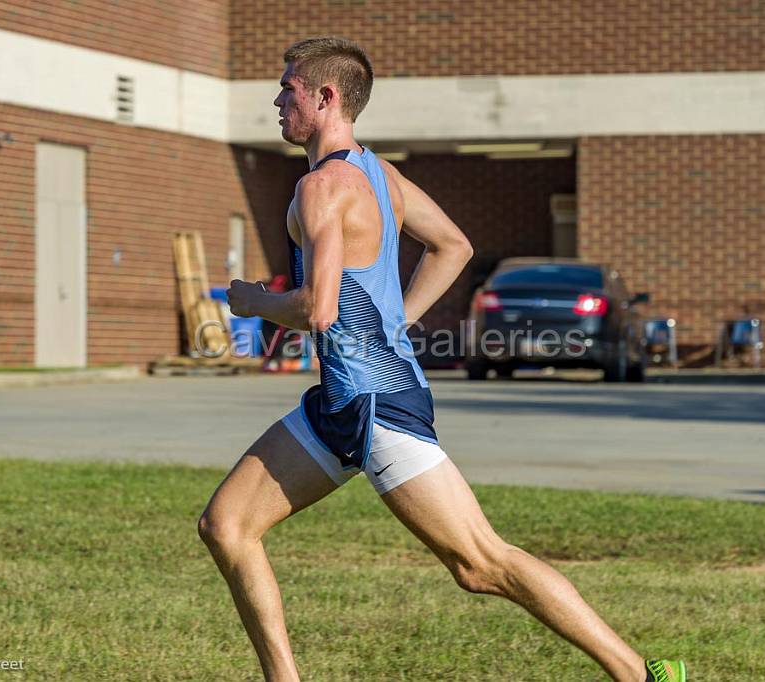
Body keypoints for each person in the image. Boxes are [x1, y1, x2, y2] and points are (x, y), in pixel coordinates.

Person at [198, 36, 686, 682]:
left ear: (326, 96)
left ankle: (642, 675)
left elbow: (317, 309)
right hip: (343, 402)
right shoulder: (383, 177)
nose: (277, 100)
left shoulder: (323, 186)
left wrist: (254, 301)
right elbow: (452, 246)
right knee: (227, 525)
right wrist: (396, 320)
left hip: (379, 405)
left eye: (287, 88)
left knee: (481, 564)